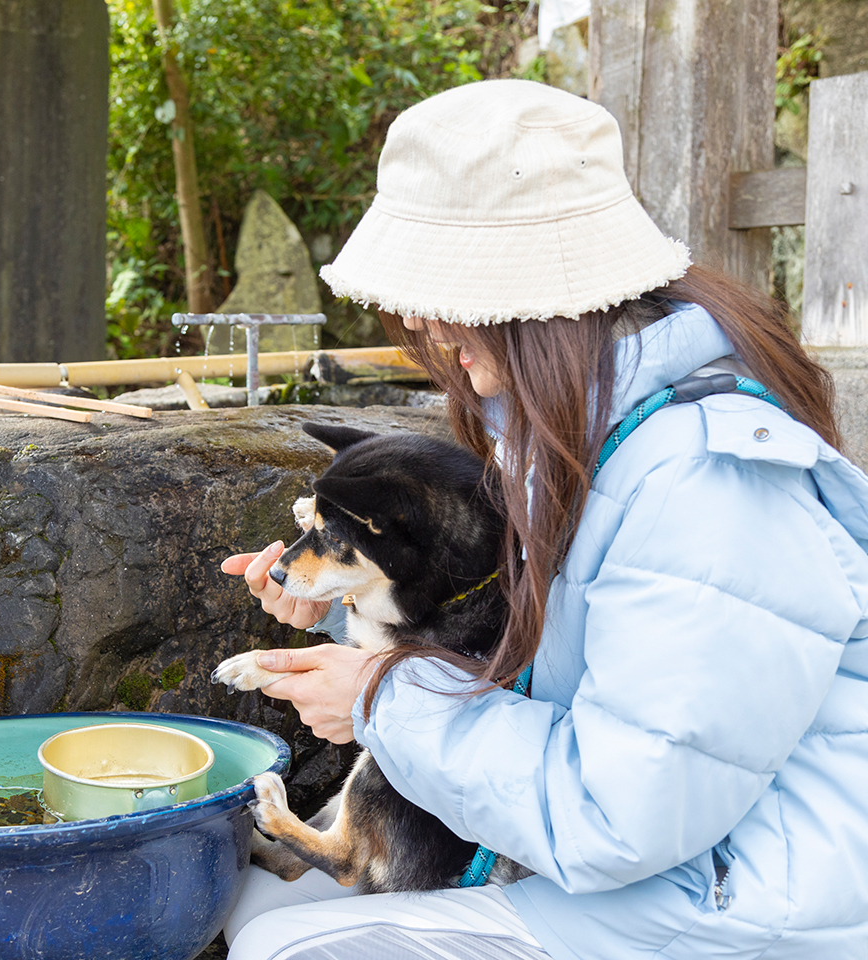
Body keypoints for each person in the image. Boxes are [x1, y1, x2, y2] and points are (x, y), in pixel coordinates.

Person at [219, 79, 868, 960]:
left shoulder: (707, 485)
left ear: (529, 298)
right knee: (250, 897)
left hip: (739, 907)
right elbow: (503, 639)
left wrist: (380, 699)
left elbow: (623, 815)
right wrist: (351, 604)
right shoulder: (577, 440)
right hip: (650, 875)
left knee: (283, 948)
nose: (413, 319)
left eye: (433, 288)